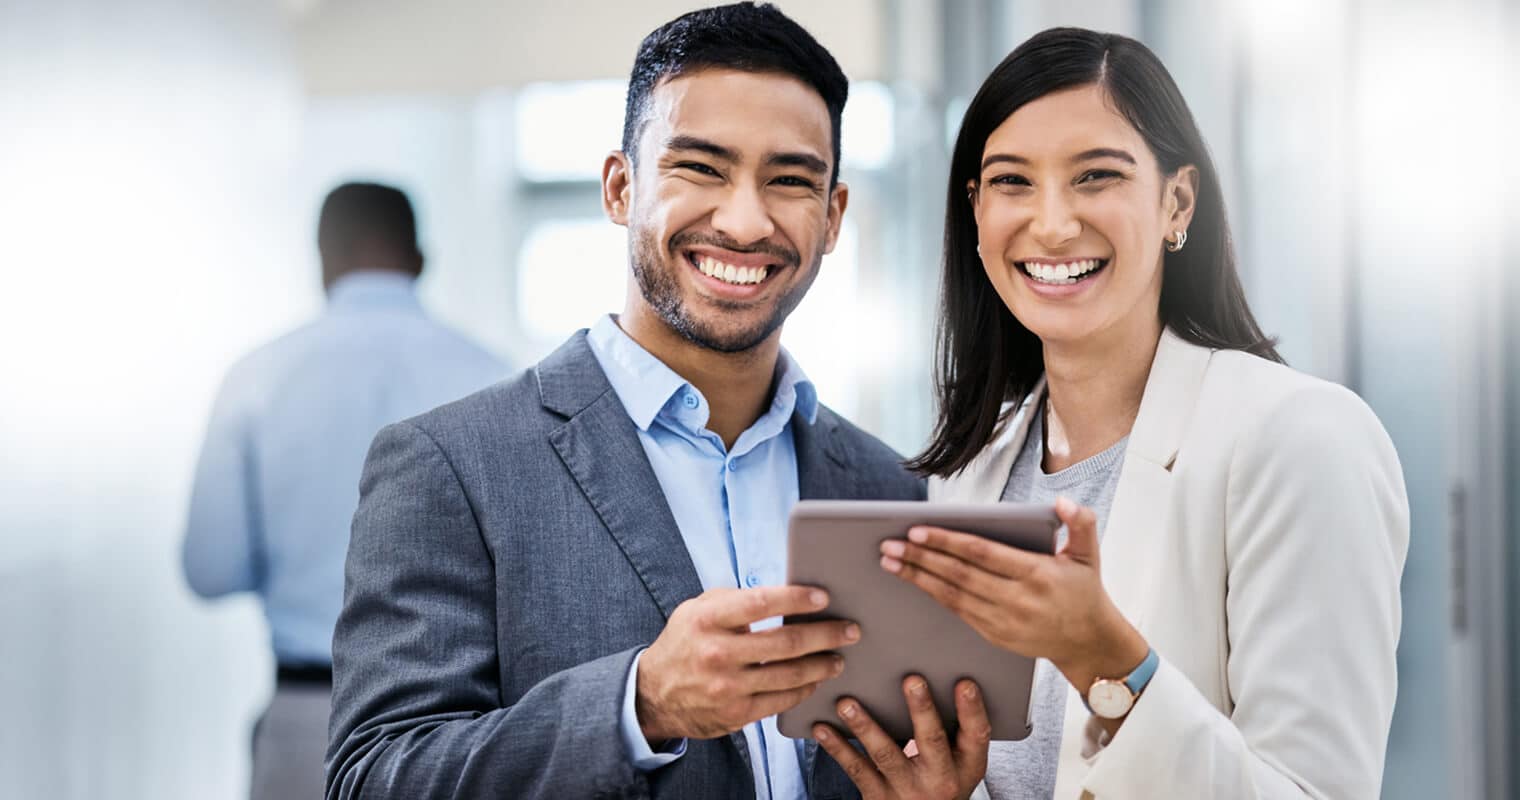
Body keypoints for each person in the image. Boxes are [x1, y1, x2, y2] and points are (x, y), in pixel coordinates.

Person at [326, 5, 990, 800]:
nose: (745, 222)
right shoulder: (451, 466)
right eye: (700, 169)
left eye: (789, 180)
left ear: (834, 216)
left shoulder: (890, 488)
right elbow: (373, 780)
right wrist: (639, 705)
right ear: (620, 187)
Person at [883, 28, 1409, 799]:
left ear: (1176, 202)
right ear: (975, 211)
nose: (1053, 224)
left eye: (1096, 176)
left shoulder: (1303, 438)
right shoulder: (973, 474)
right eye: (1012, 182)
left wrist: (1110, 662)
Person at [182, 181, 506, 800]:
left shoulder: (255, 377)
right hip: (456, 730)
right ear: (419, 259)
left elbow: (210, 569)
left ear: (323, 258)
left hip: (308, 720)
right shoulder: (494, 375)